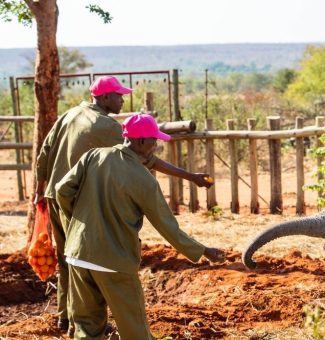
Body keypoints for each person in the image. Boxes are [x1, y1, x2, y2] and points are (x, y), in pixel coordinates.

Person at [34, 76, 212, 332]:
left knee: (70, 259)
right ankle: (75, 320)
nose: (122, 99)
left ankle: (69, 319)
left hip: (59, 195)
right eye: (118, 95)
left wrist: (41, 188)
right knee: (125, 310)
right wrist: (190, 177)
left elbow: (46, 150)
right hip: (83, 204)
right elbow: (144, 161)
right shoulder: (107, 127)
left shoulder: (69, 115)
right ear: (105, 97)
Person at [55, 114, 225, 339]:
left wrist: (79, 221)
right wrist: (202, 250)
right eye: (154, 141)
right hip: (113, 260)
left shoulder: (93, 156)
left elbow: (61, 190)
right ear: (141, 142)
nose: (156, 146)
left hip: (77, 255)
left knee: (86, 328)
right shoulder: (144, 181)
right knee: (135, 330)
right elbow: (167, 227)